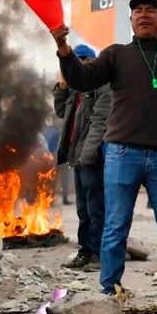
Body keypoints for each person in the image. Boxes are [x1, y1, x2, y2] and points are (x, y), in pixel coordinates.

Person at [52, 0, 157, 311]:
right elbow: (83, 80)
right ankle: (110, 291)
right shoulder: (115, 55)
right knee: (115, 224)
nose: (143, 15)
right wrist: (63, 49)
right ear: (130, 20)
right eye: (137, 10)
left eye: (151, 10)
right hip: (122, 153)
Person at [54, 43, 112, 272]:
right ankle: (85, 251)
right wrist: (61, 88)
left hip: (92, 157)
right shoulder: (76, 89)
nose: (73, 65)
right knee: (82, 209)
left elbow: (100, 122)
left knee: (95, 208)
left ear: (88, 61)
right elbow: (61, 113)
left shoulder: (102, 85)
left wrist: (88, 154)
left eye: (78, 60)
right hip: (76, 157)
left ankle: (98, 253)